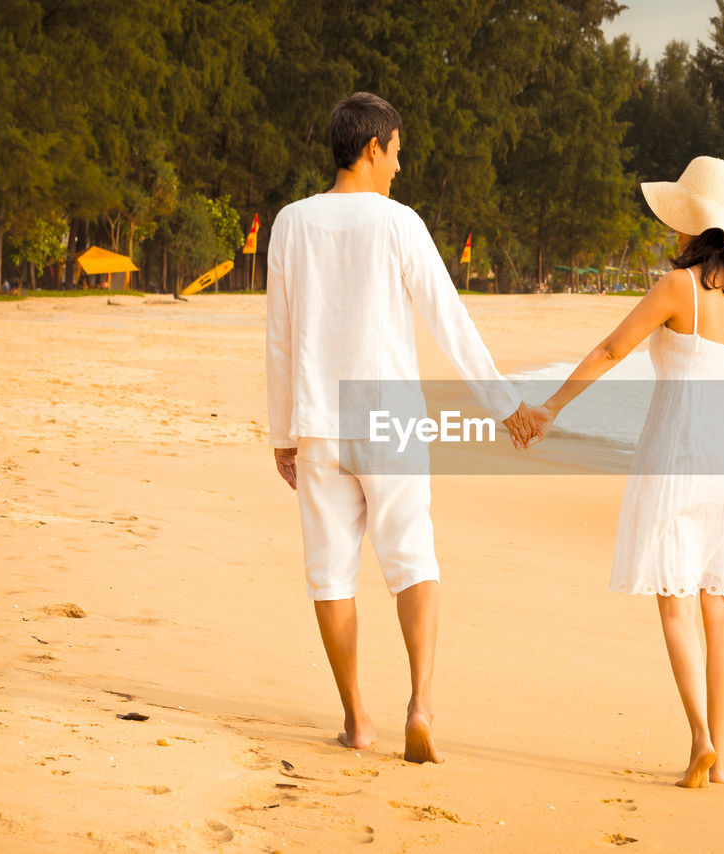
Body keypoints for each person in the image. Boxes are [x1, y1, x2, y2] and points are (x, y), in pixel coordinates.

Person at [266, 92, 539, 764]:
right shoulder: (399, 225)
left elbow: (279, 336)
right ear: (372, 147)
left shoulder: (291, 225)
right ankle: (420, 703)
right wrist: (505, 405)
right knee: (412, 558)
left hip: (318, 420)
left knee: (330, 573)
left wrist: (281, 431)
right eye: (396, 152)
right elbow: (449, 320)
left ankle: (357, 720)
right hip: (386, 416)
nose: (399, 166)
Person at [529, 156, 724, 788]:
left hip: (677, 456)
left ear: (693, 223)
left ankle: (699, 740)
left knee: (675, 601)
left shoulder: (678, 288)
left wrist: (551, 408)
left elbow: (612, 349)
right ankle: (720, 758)